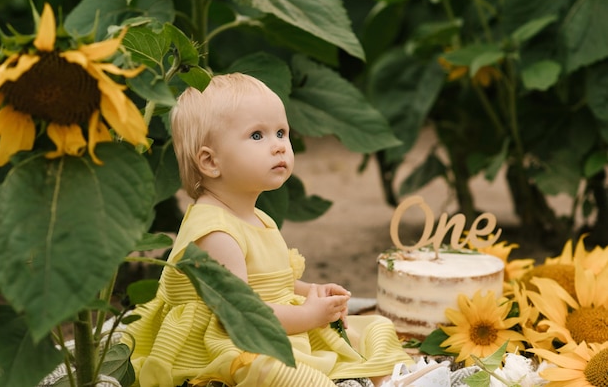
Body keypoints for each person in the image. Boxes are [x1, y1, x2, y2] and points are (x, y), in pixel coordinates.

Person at [121, 73, 414, 387]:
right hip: (226, 342)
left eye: (281, 132)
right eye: (257, 136)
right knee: (277, 370)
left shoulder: (257, 216)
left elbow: (270, 281)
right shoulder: (215, 233)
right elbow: (242, 315)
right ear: (210, 162)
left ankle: (394, 379)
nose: (278, 147)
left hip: (270, 321)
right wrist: (310, 316)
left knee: (374, 328)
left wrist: (310, 291)